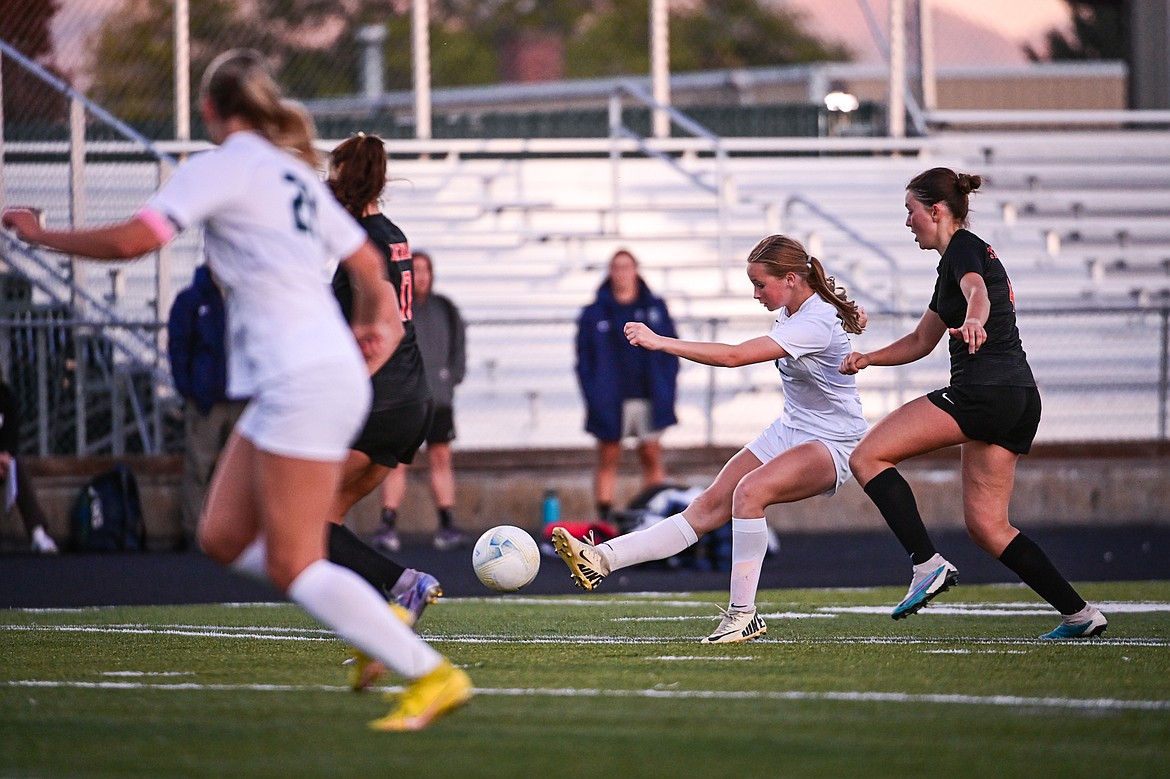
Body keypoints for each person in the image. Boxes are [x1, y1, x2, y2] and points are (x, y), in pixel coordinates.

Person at [1, 49, 471, 730]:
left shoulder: (221, 167)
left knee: (294, 555)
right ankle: (372, 618)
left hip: (305, 376)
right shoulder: (290, 173)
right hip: (305, 376)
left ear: (211, 109)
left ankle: (427, 670)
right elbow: (370, 263)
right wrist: (379, 328)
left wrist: (42, 234)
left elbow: (139, 240)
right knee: (220, 534)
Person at [553, 235, 868, 643]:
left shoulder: (813, 319)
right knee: (704, 508)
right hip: (792, 429)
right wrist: (854, 318)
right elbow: (840, 324)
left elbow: (734, 357)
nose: (755, 294)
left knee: (749, 494)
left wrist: (661, 341)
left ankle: (743, 615)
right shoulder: (796, 310)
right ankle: (603, 558)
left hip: (836, 440)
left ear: (790, 278)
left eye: (760, 284)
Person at [839, 166, 1108, 640]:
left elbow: (976, 292)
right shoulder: (959, 257)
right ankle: (1079, 613)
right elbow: (922, 340)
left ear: (937, 211)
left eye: (911, 211)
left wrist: (977, 319)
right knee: (987, 527)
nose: (907, 222)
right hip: (1019, 398)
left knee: (867, 455)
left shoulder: (963, 248)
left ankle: (926, 565)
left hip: (984, 392)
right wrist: (868, 358)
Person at [321, 133, 444, 687]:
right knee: (326, 521)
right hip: (409, 397)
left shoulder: (359, 241)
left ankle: (404, 585)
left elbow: (368, 329)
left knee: (300, 521)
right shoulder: (392, 234)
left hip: (375, 396)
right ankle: (379, 632)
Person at [575, 249, 679, 523]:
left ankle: (656, 513)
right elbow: (583, 359)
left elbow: (672, 348)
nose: (622, 273)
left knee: (651, 453)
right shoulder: (594, 312)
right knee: (608, 456)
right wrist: (594, 394)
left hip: (648, 394)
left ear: (635, 271)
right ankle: (604, 518)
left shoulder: (654, 308)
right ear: (610, 272)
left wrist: (666, 386)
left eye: (627, 267)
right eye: (616, 268)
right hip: (610, 398)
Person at [376, 250, 469, 552]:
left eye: (425, 270)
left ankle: (447, 523)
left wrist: (449, 378)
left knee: (441, 459)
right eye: (415, 270)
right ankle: (388, 523)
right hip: (404, 400)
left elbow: (459, 350)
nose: (421, 276)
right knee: (397, 461)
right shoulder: (396, 309)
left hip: (438, 400)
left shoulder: (445, 308)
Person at [166, 263, 248, 549]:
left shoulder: (248, 296)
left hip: (243, 395)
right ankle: (194, 533)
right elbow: (178, 346)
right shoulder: (191, 299)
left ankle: (236, 533)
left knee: (240, 470)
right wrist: (189, 388)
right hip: (207, 400)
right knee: (199, 467)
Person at [0, 374, 58, 554]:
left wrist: (4, 456)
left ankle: (38, 533)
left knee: (18, 466)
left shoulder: (6, 396)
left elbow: (11, 437)